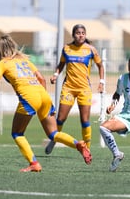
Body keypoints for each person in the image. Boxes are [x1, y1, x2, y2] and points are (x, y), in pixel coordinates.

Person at [0, 34, 92, 172]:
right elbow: (42, 79)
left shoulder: (2, 64)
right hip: (43, 96)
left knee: (17, 133)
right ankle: (78, 144)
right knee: (53, 133)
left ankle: (34, 163)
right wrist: (44, 102)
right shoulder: (25, 61)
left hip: (29, 98)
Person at [45, 24, 105, 154]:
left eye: (83, 32)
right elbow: (61, 64)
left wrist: (101, 81)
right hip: (69, 88)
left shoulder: (90, 49)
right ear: (73, 35)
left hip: (84, 89)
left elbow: (100, 66)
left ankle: (87, 149)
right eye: (78, 33)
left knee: (84, 120)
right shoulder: (66, 49)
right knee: (60, 118)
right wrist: (55, 75)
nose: (81, 35)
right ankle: (54, 140)